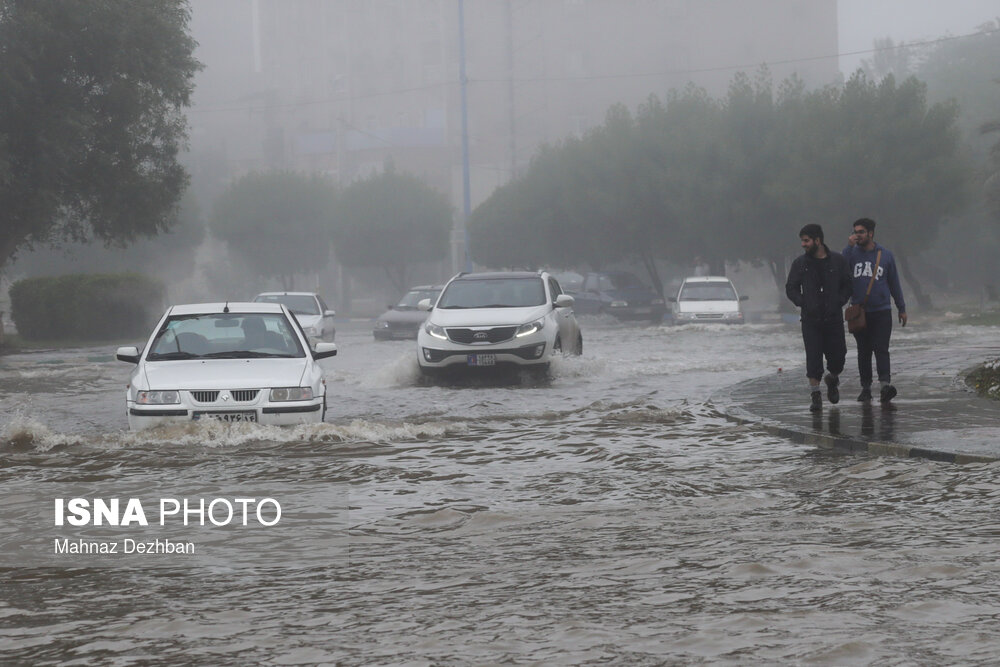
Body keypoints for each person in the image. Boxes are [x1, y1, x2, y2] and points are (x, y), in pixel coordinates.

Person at [785, 224, 853, 412]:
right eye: (802, 241)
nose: (803, 244)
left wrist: (839, 301)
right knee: (813, 358)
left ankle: (833, 379)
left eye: (806, 240)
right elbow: (791, 287)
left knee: (838, 357)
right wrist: (803, 302)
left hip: (833, 318)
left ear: (818, 240)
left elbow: (848, 285)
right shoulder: (800, 264)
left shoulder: (838, 261)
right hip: (810, 320)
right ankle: (815, 395)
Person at [843, 218, 907, 403]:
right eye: (855, 232)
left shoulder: (885, 255)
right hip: (859, 313)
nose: (858, 235)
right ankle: (865, 388)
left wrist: (901, 308)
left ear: (870, 233)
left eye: (861, 232)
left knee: (881, 348)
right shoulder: (851, 254)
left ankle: (885, 386)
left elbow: (894, 282)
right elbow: (840, 269)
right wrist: (848, 248)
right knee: (863, 351)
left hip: (881, 311)